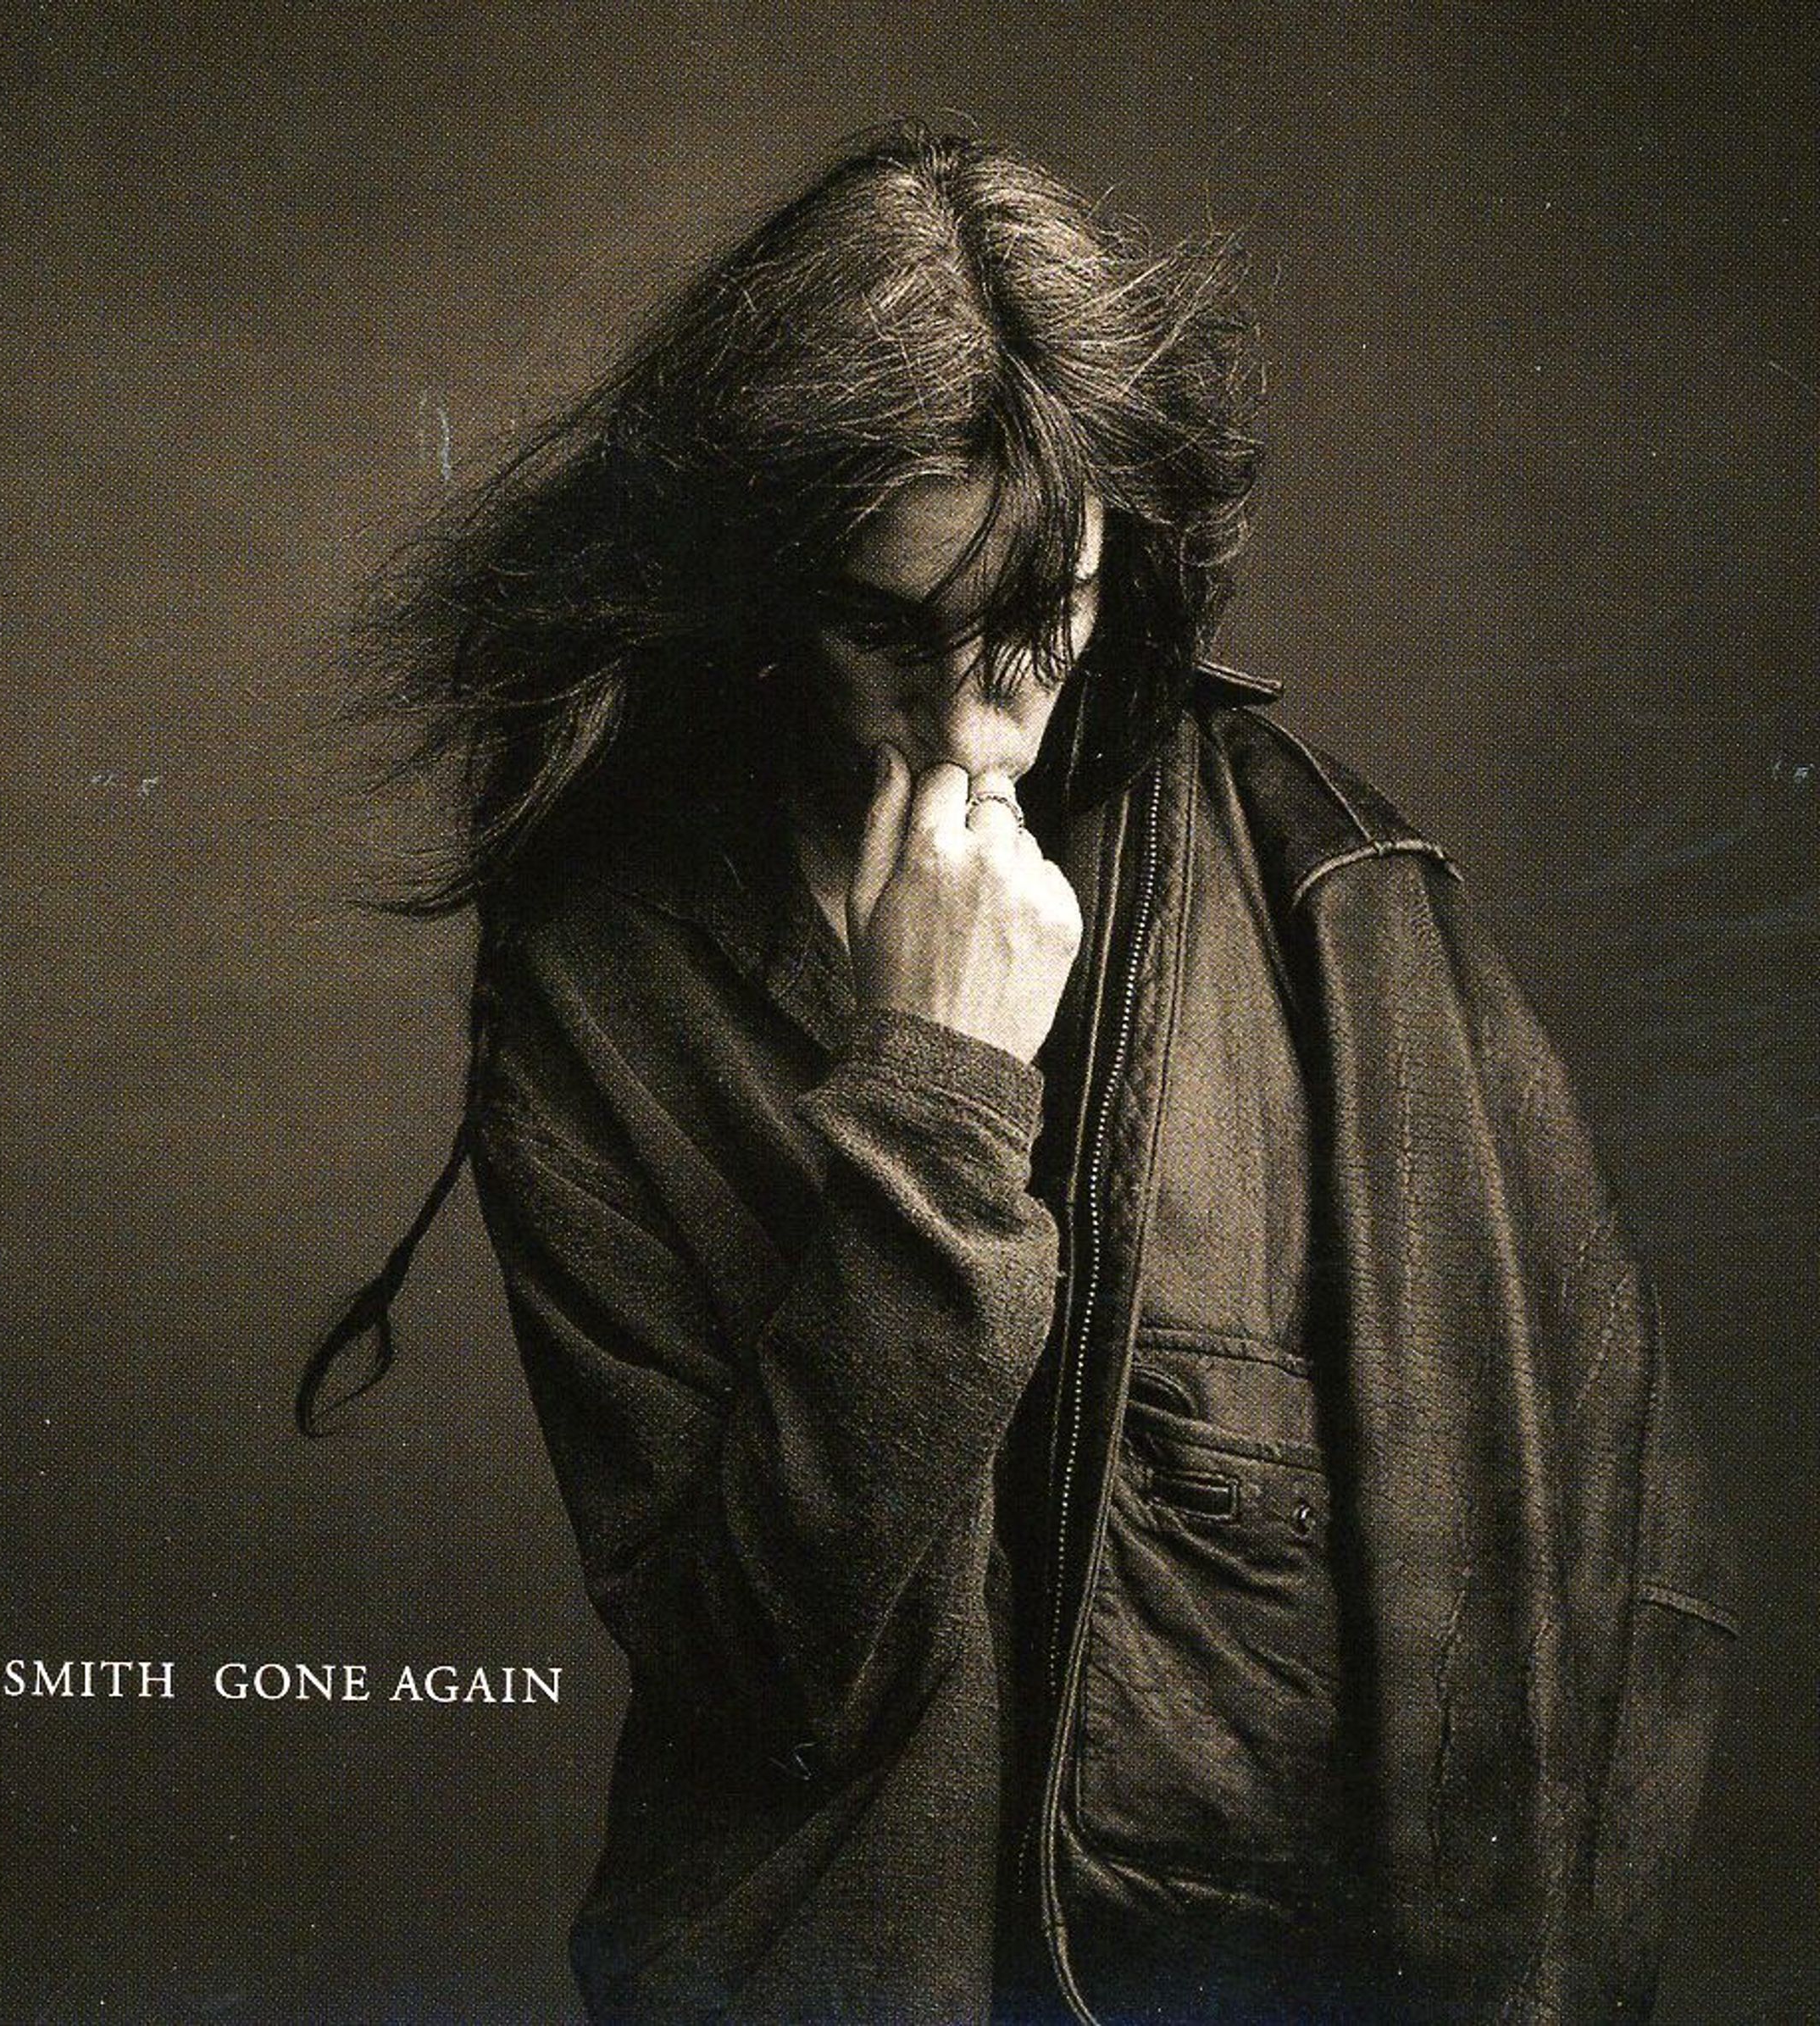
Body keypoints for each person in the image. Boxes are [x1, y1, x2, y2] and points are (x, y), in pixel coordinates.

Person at [299, 129, 1736, 2025]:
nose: (976, 719)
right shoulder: (604, 978)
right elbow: (767, 1681)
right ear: (759, 586)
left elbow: (1596, 1600)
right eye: (885, 631)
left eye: (1031, 619)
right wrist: (943, 1091)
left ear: (1119, 546)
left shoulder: (1335, 905)